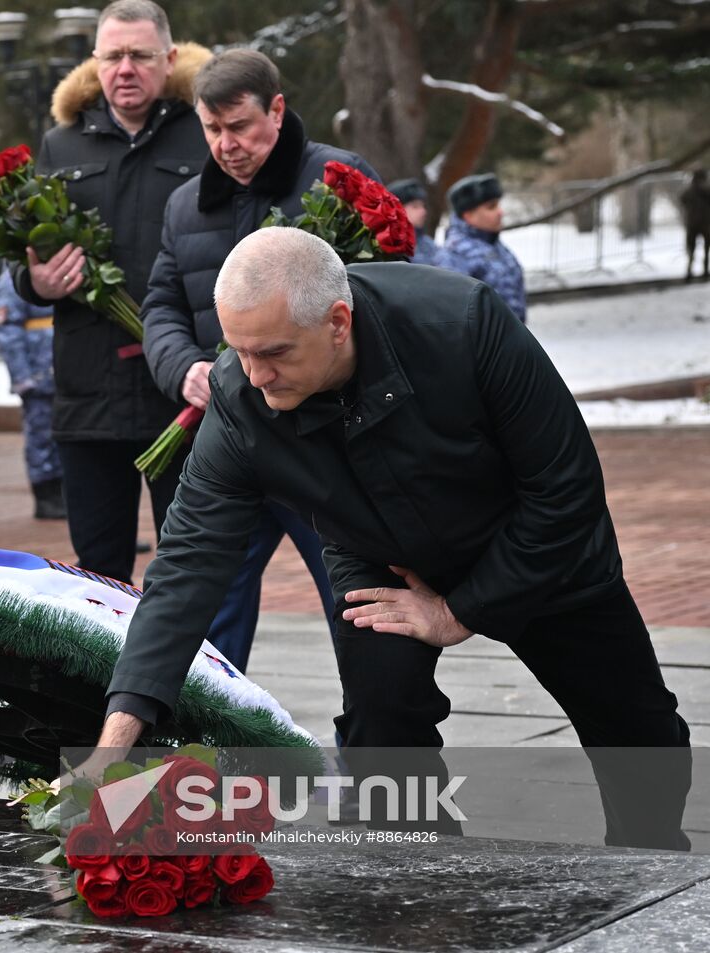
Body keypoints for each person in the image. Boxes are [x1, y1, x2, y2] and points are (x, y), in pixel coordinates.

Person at [99, 227, 691, 850]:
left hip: (536, 548)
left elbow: (565, 491)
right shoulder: (241, 395)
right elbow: (189, 562)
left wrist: (459, 610)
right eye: (239, 350)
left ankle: (647, 861)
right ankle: (421, 885)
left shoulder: (463, 323)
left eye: (273, 352)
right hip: (379, 554)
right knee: (382, 727)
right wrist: (112, 743)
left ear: (337, 321)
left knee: (639, 735)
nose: (256, 376)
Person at [142, 48, 370, 671]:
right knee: (207, 612)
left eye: (239, 126)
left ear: (277, 108)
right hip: (231, 442)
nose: (225, 145)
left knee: (354, 606)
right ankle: (203, 752)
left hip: (321, 442)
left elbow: (381, 298)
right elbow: (160, 304)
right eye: (211, 129)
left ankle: (371, 752)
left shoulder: (338, 179)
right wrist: (185, 367)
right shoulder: (186, 203)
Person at [13, 0, 210, 585]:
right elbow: (25, 258)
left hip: (180, 393)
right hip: (88, 394)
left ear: (169, 60)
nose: (125, 68)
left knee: (191, 567)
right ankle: (107, 681)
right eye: (112, 56)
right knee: (98, 571)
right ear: (95, 63)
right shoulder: (61, 144)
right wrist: (37, 282)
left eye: (140, 56)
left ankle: (188, 680)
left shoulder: (203, 136)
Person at [0, 268, 63, 519]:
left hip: (63, 371)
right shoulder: (13, 278)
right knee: (41, 436)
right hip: (38, 373)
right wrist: (21, 376)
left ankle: (60, 491)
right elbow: (7, 330)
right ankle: (45, 494)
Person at [443, 172, 526, 323]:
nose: (500, 212)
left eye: (498, 205)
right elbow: (457, 317)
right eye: (491, 207)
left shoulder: (492, 243)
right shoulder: (455, 255)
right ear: (468, 215)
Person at [387, 178, 449, 267]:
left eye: (423, 206)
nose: (423, 211)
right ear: (396, 209)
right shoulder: (388, 244)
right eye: (415, 206)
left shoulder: (427, 244)